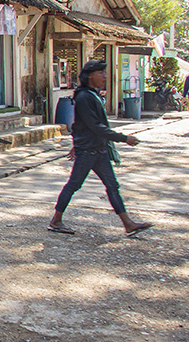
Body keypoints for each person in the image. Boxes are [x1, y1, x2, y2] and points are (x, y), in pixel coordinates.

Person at [49, 60, 152, 237]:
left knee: (112, 186)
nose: (105, 76)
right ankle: (56, 220)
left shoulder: (91, 94)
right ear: (90, 76)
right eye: (101, 73)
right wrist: (123, 138)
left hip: (97, 149)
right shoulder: (83, 97)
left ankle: (128, 223)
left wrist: (76, 143)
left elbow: (78, 125)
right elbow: (94, 126)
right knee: (74, 185)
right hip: (88, 150)